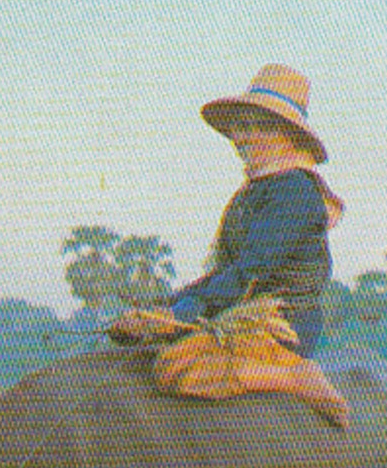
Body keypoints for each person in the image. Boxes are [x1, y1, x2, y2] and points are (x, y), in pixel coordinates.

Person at [112, 64, 349, 424]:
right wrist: (160, 309)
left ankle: (293, 377)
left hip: (280, 324)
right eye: (241, 127)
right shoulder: (256, 189)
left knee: (173, 368)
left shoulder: (295, 191)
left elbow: (249, 271)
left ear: (288, 135)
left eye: (260, 128)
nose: (244, 138)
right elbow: (224, 273)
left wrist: (179, 315)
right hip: (240, 314)